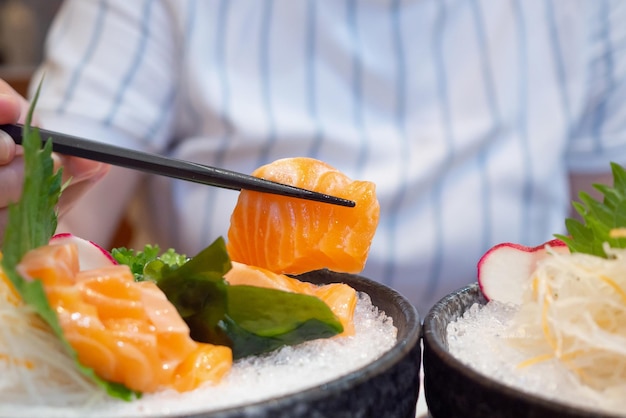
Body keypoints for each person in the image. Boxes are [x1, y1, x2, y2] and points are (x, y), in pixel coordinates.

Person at [0, 0, 624, 313]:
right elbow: (57, 210)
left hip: (496, 378)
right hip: (229, 383)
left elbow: (600, 246)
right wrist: (14, 205)